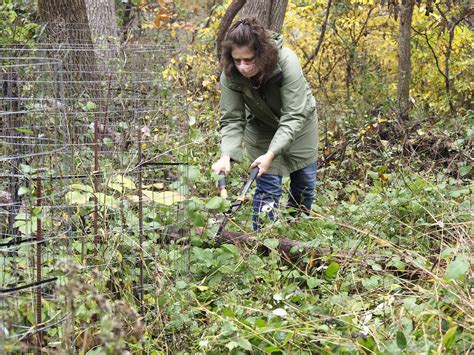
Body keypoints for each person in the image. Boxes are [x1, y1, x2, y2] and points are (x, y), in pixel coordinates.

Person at [212, 17, 318, 230]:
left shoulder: (287, 61)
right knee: (267, 190)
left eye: (248, 60)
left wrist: (271, 154)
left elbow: (293, 116)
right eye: (237, 60)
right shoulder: (231, 74)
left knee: (304, 185)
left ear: (262, 55)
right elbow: (232, 118)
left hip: (299, 127)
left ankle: (297, 233)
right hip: (261, 128)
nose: (242, 67)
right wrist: (226, 155)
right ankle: (263, 241)